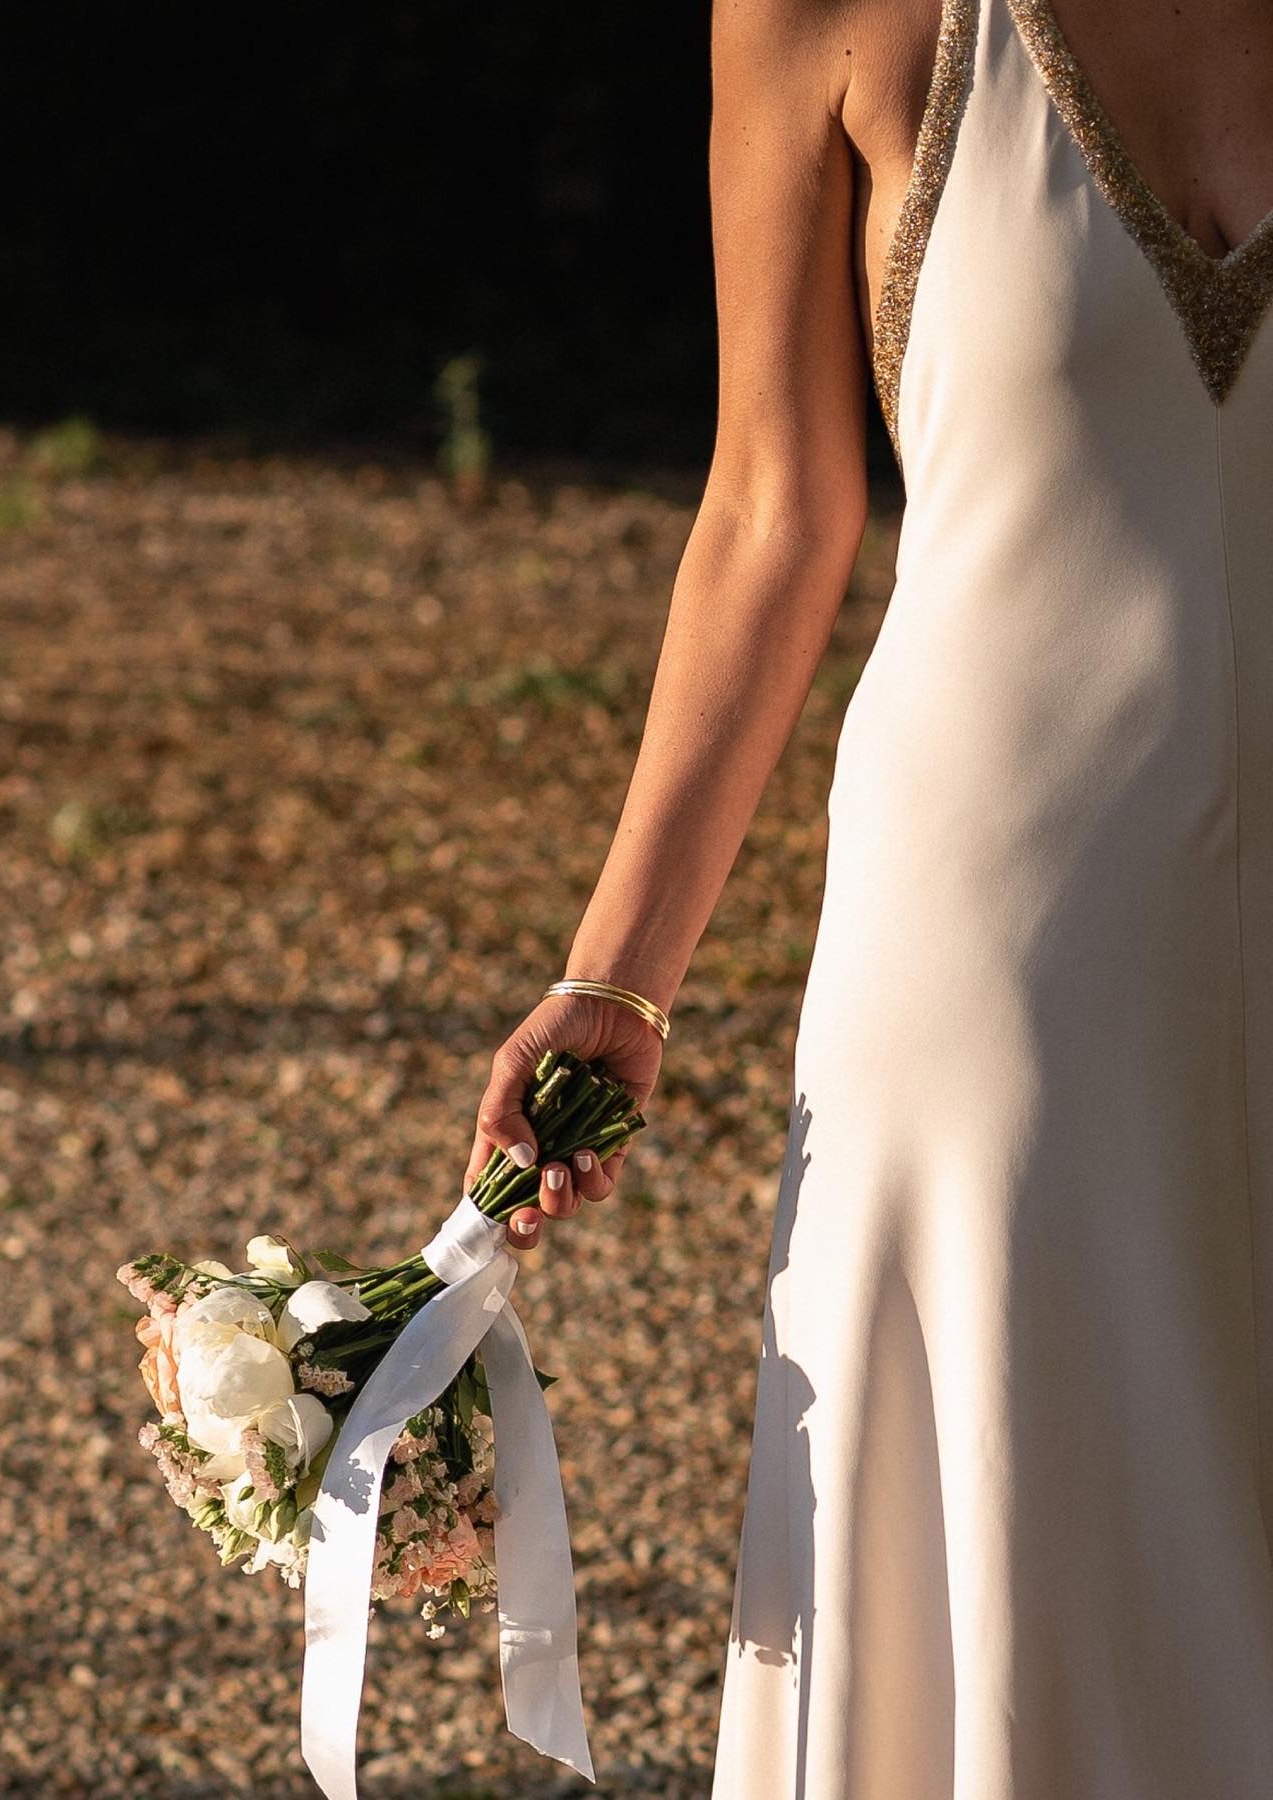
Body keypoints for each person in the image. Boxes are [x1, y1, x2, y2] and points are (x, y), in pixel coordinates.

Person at [464, 0, 1273, 1790]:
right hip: (996, 967)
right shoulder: (832, 16)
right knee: (1016, 1567)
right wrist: (616, 983)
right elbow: (774, 508)